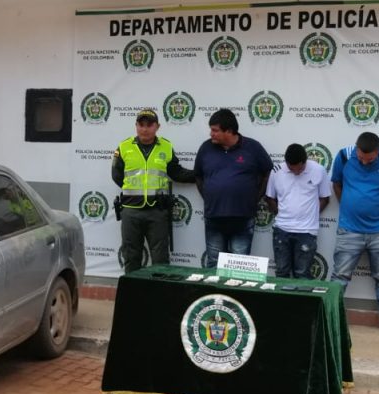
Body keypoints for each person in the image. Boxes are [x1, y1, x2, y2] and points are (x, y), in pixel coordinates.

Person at [330, 132, 379, 339]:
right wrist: (349, 206)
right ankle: (330, 318)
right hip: (349, 229)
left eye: (369, 159)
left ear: (378, 152)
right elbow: (337, 183)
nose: (363, 161)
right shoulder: (344, 156)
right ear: (356, 148)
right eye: (361, 157)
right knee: (339, 277)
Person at [111, 109, 195, 274]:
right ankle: (133, 294)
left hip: (157, 212)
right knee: (131, 256)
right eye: (141, 125)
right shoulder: (124, 147)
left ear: (157, 127)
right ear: (136, 126)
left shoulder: (166, 146)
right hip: (131, 212)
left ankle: (159, 296)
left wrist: (200, 174)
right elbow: (116, 175)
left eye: (149, 125)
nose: (145, 129)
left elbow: (176, 172)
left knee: (161, 258)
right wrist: (136, 193)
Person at [194, 109, 273, 267]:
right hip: (214, 217)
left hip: (243, 218)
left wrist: (255, 198)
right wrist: (209, 196)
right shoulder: (206, 148)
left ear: (229, 131)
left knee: (239, 266)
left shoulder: (253, 147)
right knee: (213, 264)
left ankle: (237, 294)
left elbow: (268, 172)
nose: (211, 134)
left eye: (215, 130)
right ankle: (214, 293)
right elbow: (198, 175)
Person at [265, 143, 331, 278]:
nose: (296, 171)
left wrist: (311, 214)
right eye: (291, 168)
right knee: (282, 272)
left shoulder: (318, 170)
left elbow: (325, 198)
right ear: (286, 162)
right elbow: (269, 197)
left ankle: (302, 300)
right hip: (282, 230)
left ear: (305, 161)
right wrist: (281, 213)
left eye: (299, 168)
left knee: (302, 274)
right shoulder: (277, 171)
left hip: (307, 231)